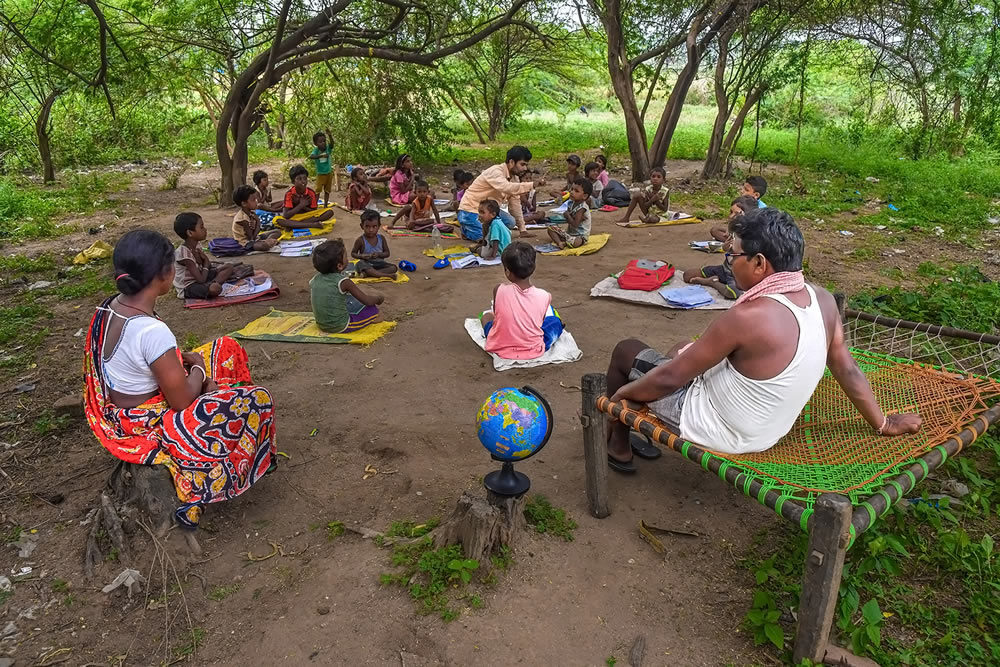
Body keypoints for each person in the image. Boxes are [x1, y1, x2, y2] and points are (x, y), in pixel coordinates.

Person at [602, 208, 922, 473]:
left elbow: (671, 378)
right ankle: (629, 423)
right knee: (681, 348)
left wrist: (620, 398)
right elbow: (848, 371)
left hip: (719, 429)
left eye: (733, 256)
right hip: (767, 432)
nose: (730, 262)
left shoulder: (748, 317)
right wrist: (884, 423)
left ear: (759, 263)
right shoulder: (822, 300)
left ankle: (618, 446)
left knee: (626, 350)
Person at [83, 229, 277, 530]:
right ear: (164, 274)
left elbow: (136, 359)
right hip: (146, 419)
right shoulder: (151, 331)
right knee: (258, 400)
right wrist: (198, 370)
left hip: (118, 407)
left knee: (226, 347)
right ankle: (212, 475)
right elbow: (181, 402)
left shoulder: (110, 307)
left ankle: (216, 400)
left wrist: (180, 363)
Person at [481, 242, 564, 360]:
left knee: (486, 317)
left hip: (500, 346)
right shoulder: (544, 296)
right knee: (555, 321)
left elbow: (496, 315)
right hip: (533, 349)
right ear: (533, 267)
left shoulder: (499, 289)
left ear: (507, 272)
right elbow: (538, 323)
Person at [458, 145, 543, 240]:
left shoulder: (514, 178)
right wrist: (532, 185)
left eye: (526, 165)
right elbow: (507, 187)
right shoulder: (496, 171)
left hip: (489, 211)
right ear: (511, 162)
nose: (525, 168)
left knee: (510, 222)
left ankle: (471, 228)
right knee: (487, 239)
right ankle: (467, 229)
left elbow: (515, 204)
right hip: (471, 210)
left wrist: (522, 230)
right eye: (522, 164)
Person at [310, 239, 384, 333]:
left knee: (348, 301)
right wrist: (379, 299)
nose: (347, 258)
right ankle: (373, 317)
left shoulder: (315, 279)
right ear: (340, 265)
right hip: (340, 325)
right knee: (372, 310)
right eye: (346, 256)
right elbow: (367, 301)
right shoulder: (344, 282)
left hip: (321, 324)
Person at [173, 212, 236, 299]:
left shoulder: (197, 245)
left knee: (228, 266)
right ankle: (212, 285)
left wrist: (206, 263)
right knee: (215, 288)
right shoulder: (184, 254)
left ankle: (212, 283)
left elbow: (208, 267)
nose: (205, 229)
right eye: (201, 227)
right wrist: (206, 261)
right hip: (189, 286)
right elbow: (201, 279)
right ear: (190, 233)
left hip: (202, 277)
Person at [280, 165, 334, 229]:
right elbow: (286, 215)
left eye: (305, 178)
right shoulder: (289, 194)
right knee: (278, 220)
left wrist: (304, 206)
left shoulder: (311, 193)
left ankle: (295, 225)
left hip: (307, 217)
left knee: (329, 212)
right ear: (293, 182)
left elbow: (314, 211)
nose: (303, 181)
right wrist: (300, 205)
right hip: (294, 217)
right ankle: (312, 225)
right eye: (299, 179)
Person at [351, 210, 398, 279]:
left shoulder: (381, 238)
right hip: (366, 264)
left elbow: (387, 253)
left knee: (394, 268)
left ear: (379, 226)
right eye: (367, 226)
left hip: (379, 264)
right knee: (360, 264)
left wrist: (378, 254)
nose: (371, 230)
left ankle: (369, 274)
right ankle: (386, 275)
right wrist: (362, 256)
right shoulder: (360, 240)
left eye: (374, 227)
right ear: (362, 226)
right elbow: (353, 253)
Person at [232, 185, 280, 251]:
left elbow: (256, 234)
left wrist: (257, 222)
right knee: (263, 246)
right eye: (253, 200)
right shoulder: (242, 219)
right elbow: (251, 238)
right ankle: (267, 242)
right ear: (244, 204)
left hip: (255, 238)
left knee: (277, 231)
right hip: (245, 242)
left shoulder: (250, 213)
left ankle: (268, 241)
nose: (256, 201)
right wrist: (257, 221)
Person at [547, 178, 592, 249]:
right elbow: (569, 220)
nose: (572, 192)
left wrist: (567, 215)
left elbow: (575, 224)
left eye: (576, 191)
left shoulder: (582, 208)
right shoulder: (571, 203)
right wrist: (567, 216)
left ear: (585, 196)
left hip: (580, 237)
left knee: (577, 242)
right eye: (572, 189)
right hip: (569, 234)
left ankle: (565, 242)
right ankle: (560, 243)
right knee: (550, 228)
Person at [309, 131, 333, 206]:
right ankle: (315, 205)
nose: (323, 143)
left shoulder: (328, 149)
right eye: (320, 142)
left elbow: (332, 144)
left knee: (327, 190)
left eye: (324, 141)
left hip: (329, 173)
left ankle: (325, 205)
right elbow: (311, 156)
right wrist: (321, 156)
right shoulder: (316, 150)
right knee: (318, 190)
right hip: (320, 174)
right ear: (316, 144)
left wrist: (330, 135)